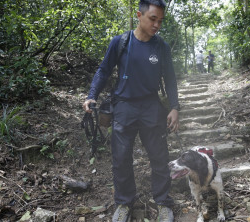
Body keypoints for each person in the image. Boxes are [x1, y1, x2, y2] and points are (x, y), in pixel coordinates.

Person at [82, 0, 180, 221]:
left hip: (151, 107)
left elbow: (170, 79)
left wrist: (174, 107)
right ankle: (124, 203)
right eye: (152, 19)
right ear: (139, 15)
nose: (157, 25)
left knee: (159, 156)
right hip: (124, 106)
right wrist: (91, 96)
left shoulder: (161, 47)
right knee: (121, 158)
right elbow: (104, 70)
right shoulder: (121, 42)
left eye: (160, 21)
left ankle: (163, 202)